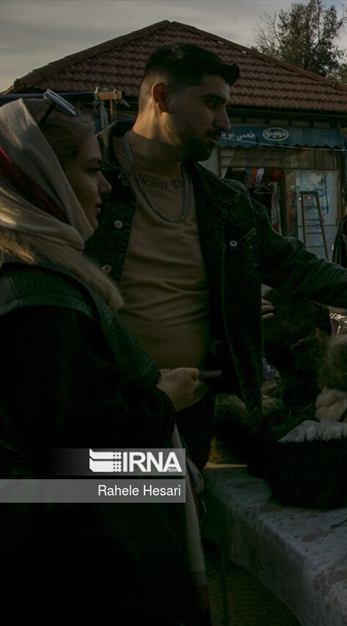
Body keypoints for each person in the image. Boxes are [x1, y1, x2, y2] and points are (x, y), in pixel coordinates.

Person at [84, 43, 347, 468]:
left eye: (226, 106)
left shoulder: (222, 202)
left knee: (176, 522)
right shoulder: (81, 178)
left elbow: (300, 268)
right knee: (101, 514)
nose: (224, 121)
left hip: (193, 412)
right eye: (211, 103)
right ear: (161, 98)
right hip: (102, 416)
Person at [1, 96, 204, 623]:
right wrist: (161, 403)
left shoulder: (38, 277)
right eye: (91, 169)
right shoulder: (37, 298)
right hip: (91, 575)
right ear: (36, 178)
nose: (107, 186)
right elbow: (70, 467)